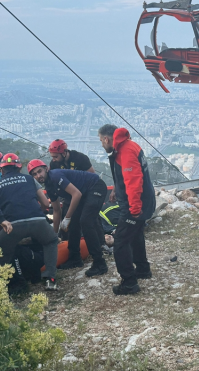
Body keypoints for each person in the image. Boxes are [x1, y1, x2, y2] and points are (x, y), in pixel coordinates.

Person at [98, 124, 155, 295]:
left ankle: (129, 282)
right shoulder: (126, 146)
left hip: (135, 203)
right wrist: (117, 188)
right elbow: (125, 175)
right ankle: (143, 269)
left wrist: (135, 209)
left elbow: (134, 181)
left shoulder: (126, 151)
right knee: (135, 234)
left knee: (121, 241)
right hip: (138, 201)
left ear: (107, 139)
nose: (101, 144)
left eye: (101, 141)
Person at [0, 153, 60, 291]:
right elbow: (46, 203)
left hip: (12, 225)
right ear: (19, 168)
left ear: (2, 170)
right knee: (51, 241)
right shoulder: (29, 179)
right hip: (38, 221)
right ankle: (50, 279)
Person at [28, 159, 108, 277]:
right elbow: (56, 210)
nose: (38, 176)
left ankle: (99, 263)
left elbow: (76, 194)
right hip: (84, 193)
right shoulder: (49, 186)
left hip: (95, 187)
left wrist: (67, 217)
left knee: (86, 221)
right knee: (74, 224)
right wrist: (54, 235)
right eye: (34, 174)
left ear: (46, 169)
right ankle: (75, 258)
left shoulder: (55, 175)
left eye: (39, 171)